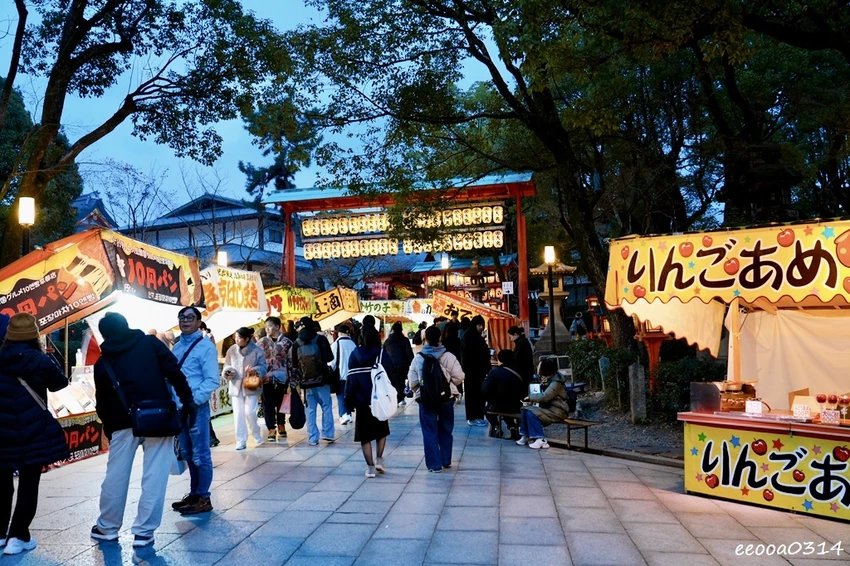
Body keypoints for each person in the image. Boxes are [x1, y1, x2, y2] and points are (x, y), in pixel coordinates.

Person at [90, 312, 196, 549]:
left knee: (115, 476)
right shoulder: (150, 344)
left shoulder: (102, 363)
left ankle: (107, 527)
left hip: (121, 423)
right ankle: (144, 532)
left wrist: (109, 428)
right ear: (127, 325)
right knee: (155, 476)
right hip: (158, 417)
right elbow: (175, 373)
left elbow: (102, 402)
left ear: (105, 334)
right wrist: (187, 402)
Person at [0, 314, 69, 555]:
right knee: (29, 484)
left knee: (2, 483)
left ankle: (0, 533)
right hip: (33, 431)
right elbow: (60, 383)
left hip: (3, 431)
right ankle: (18, 536)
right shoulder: (40, 361)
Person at [170, 307, 220, 516]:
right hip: (179, 408)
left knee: (201, 454)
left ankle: (203, 496)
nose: (185, 321)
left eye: (190, 317)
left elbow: (212, 380)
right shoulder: (177, 347)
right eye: (182, 317)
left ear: (199, 322)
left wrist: (192, 401)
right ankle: (194, 493)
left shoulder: (206, 347)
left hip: (196, 408)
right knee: (188, 453)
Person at [408, 325, 464, 472]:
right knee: (446, 429)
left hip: (426, 400)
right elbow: (459, 378)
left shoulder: (418, 359)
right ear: (440, 338)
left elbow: (413, 381)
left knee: (429, 431)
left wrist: (421, 391)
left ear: (425, 339)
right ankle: (446, 460)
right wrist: (447, 384)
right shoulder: (449, 357)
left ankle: (434, 465)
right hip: (446, 398)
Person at [345, 328, 396, 478]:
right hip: (379, 399)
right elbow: (390, 375)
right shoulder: (381, 354)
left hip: (362, 401)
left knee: (365, 436)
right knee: (381, 430)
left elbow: (351, 378)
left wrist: (348, 401)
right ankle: (379, 459)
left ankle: (370, 468)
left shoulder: (354, 355)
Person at [292, 317, 335, 445]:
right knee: (326, 406)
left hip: (306, 383)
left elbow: (294, 364)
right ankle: (328, 434)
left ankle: (312, 438)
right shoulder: (321, 339)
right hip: (322, 380)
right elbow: (330, 358)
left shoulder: (296, 343)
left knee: (310, 410)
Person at [223, 327, 267, 450]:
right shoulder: (232, 350)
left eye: (240, 338)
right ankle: (241, 440)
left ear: (247, 339)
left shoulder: (257, 351)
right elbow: (226, 365)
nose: (237, 340)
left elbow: (264, 367)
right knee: (238, 415)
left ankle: (255, 431)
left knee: (249, 412)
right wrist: (227, 372)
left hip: (251, 385)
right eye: (236, 337)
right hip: (235, 385)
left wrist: (254, 370)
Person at [516, 358, 571, 449]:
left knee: (531, 412)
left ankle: (540, 438)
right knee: (525, 410)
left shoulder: (556, 382)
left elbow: (545, 396)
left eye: (539, 366)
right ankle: (526, 435)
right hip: (550, 409)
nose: (537, 367)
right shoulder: (549, 379)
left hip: (557, 411)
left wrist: (531, 397)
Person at [261, 316, 294, 441]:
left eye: (270, 326)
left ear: (277, 326)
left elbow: (291, 362)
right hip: (266, 379)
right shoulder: (262, 342)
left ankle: (281, 425)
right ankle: (271, 428)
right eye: (266, 326)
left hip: (282, 378)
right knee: (267, 405)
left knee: (281, 403)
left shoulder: (287, 343)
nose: (267, 329)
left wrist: (293, 380)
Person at [482, 350, 525, 439]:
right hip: (516, 405)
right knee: (507, 410)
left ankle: (496, 426)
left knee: (487, 410)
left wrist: (491, 399)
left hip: (498, 405)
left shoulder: (494, 372)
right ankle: (512, 426)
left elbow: (485, 389)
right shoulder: (519, 371)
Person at [460, 315, 490, 426]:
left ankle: (478, 416)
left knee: (479, 394)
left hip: (479, 371)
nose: (481, 327)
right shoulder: (469, 336)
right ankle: (473, 417)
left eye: (482, 325)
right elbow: (473, 353)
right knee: (472, 395)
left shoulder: (475, 336)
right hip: (472, 371)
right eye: (479, 325)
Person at [198, 321, 221, 447]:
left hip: (201, 387)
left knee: (203, 415)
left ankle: (210, 438)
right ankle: (210, 438)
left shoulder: (207, 341)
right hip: (200, 387)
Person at [329, 323, 357, 424]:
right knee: (349, 395)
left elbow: (332, 362)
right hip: (352, 375)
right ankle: (348, 414)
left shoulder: (336, 345)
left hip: (340, 375)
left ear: (339, 333)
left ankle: (344, 414)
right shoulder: (353, 344)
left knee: (340, 395)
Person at [383, 322, 413, 407]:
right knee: (401, 381)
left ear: (392, 330)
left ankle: (394, 399)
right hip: (403, 365)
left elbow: (384, 353)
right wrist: (412, 363)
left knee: (392, 382)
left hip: (390, 365)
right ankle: (401, 398)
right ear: (401, 330)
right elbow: (409, 353)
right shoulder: (405, 340)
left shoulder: (387, 341)